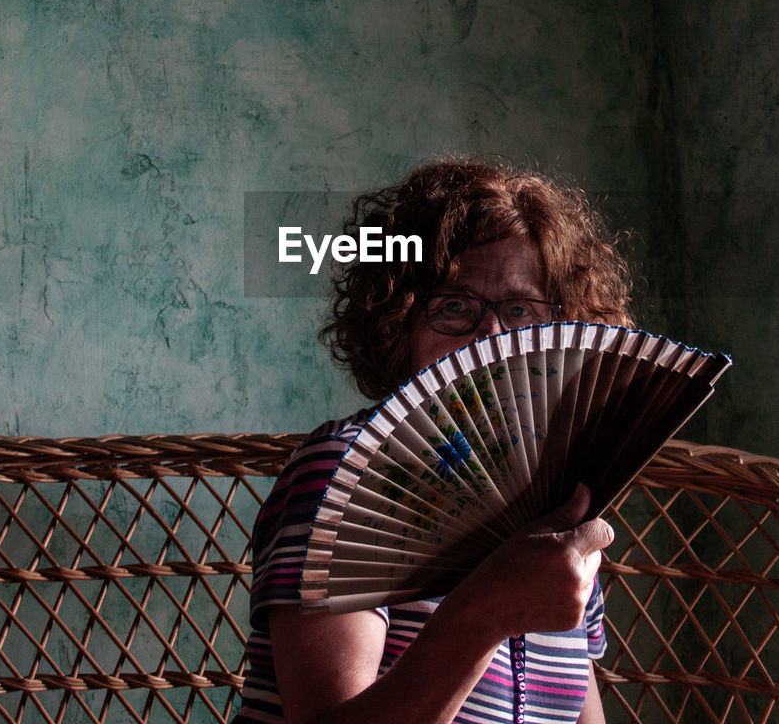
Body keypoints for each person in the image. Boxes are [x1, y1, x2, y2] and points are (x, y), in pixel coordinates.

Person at [235, 157, 636, 724]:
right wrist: (487, 611)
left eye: (520, 310)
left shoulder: (559, 504)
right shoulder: (347, 473)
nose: (491, 338)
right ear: (397, 325)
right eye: (454, 306)